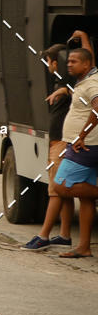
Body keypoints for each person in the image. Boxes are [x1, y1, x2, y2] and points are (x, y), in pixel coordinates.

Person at [22, 41, 76, 250]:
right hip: (57, 140)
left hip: (61, 142)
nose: (48, 67)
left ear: (55, 61)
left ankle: (43, 236)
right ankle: (63, 235)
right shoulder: (61, 82)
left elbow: (82, 92)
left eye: (48, 62)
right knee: (64, 191)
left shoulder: (69, 84)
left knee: (55, 190)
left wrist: (63, 90)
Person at [54, 46, 98, 259]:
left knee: (61, 186)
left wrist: (82, 135)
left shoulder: (92, 83)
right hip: (84, 144)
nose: (69, 64)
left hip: (86, 145)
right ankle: (84, 247)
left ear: (87, 64)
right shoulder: (84, 82)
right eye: (68, 60)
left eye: (73, 61)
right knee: (86, 198)